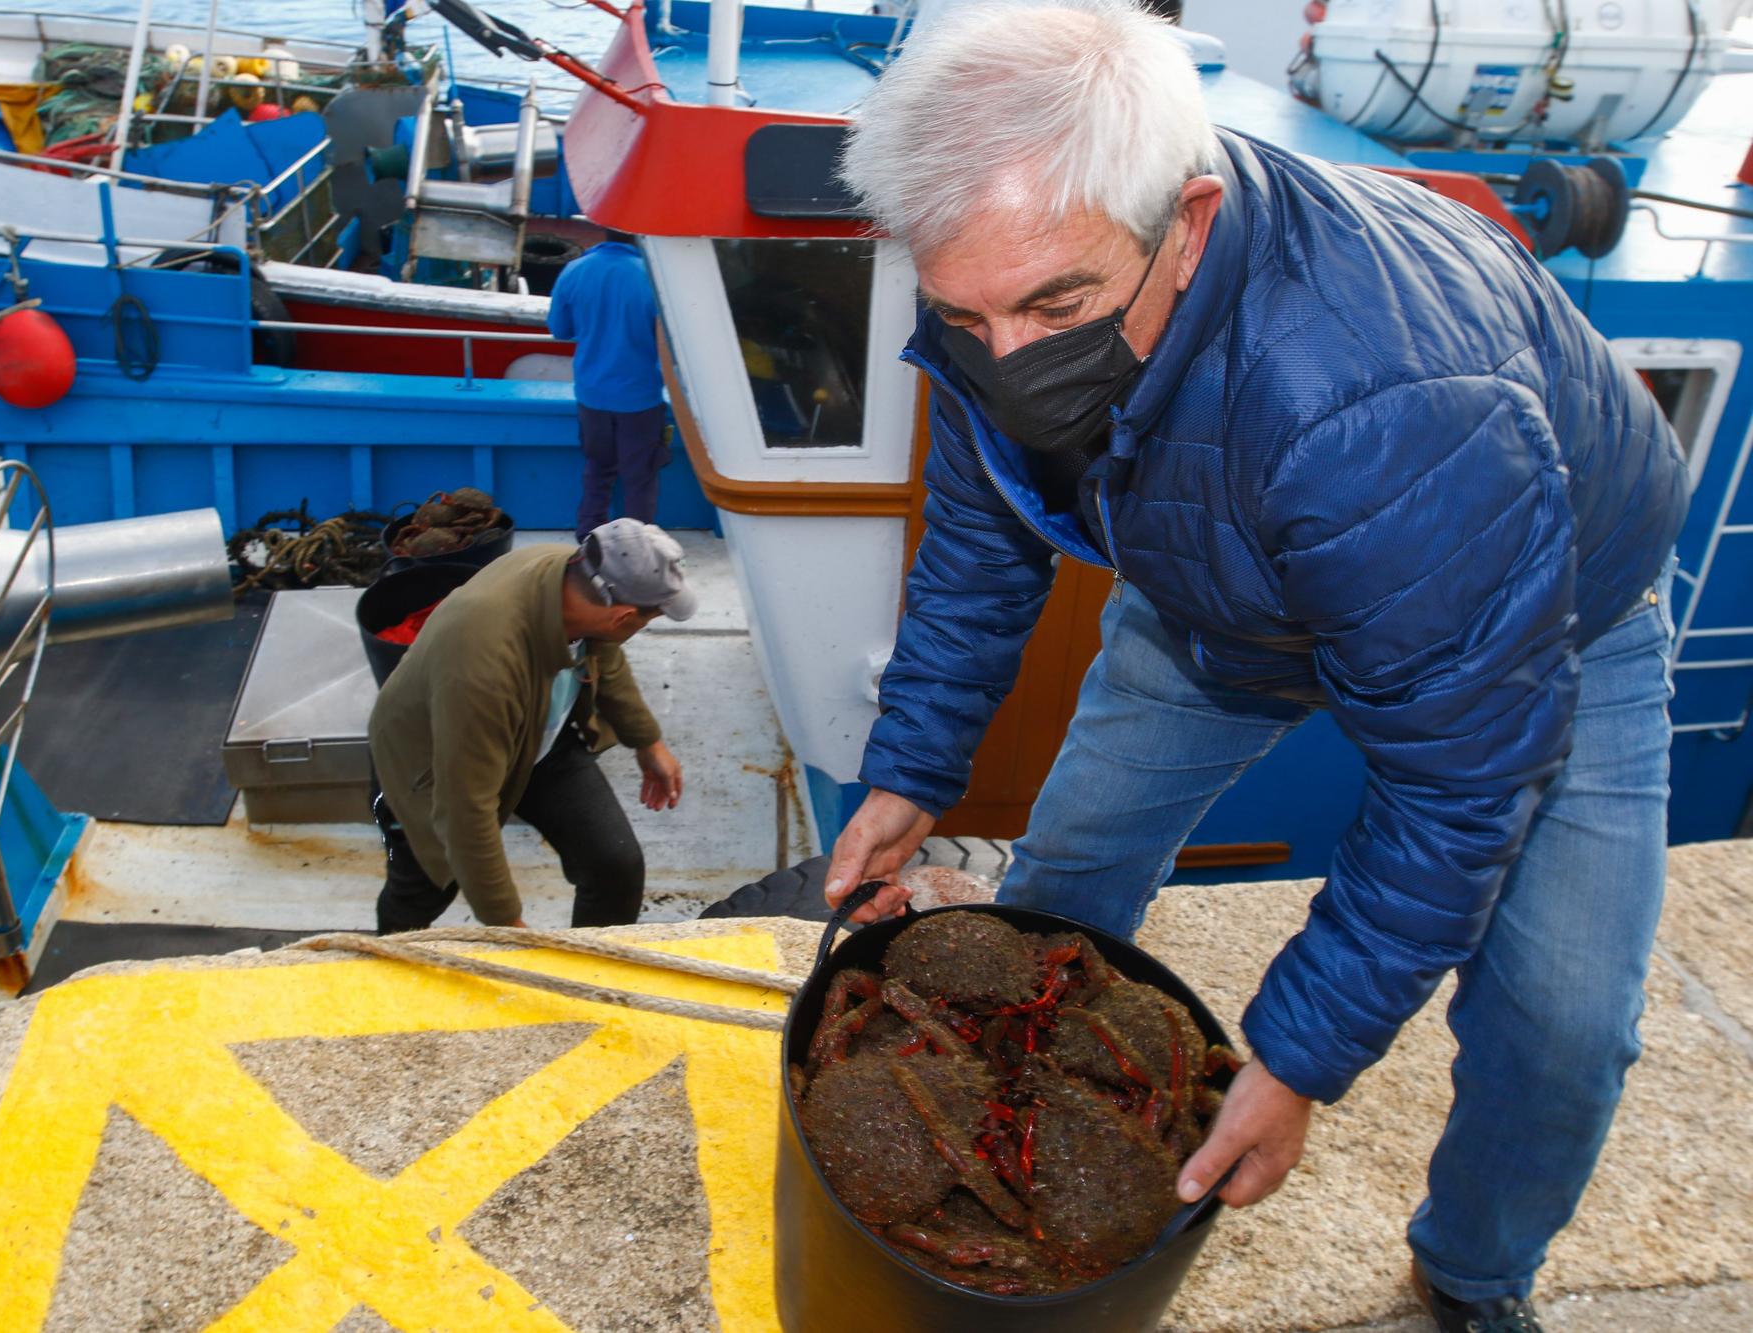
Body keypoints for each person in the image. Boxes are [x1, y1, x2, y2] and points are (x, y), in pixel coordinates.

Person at [820, 4, 1689, 1329]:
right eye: (967, 316)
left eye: (1060, 306)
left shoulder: (1381, 402)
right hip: (1216, 588)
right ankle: (1015, 1116)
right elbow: (981, 542)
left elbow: (1455, 783)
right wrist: (910, 770)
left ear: (1195, 220)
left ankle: (1473, 1276)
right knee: (1067, 872)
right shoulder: (1006, 273)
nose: (1011, 354)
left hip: (1535, 615)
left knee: (1562, 1028)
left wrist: (1293, 1057)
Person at [367, 519, 693, 932]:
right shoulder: (484, 666)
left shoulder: (567, 570)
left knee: (614, 864)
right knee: (423, 888)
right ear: (623, 616)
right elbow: (464, 807)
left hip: (537, 737)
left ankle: (597, 973)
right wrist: (508, 925)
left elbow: (604, 655)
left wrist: (648, 742)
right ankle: (384, 964)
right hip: (427, 765)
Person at [547, 231, 671, 539]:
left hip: (591, 395)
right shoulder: (654, 278)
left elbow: (560, 330)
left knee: (597, 470)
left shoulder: (575, 270)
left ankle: (588, 537)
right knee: (640, 478)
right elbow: (670, 344)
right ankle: (637, 546)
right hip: (640, 399)